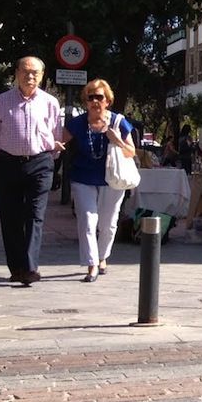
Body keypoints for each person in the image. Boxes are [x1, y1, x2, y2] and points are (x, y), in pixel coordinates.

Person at [0, 56, 67, 286]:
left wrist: (50, 156)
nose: (30, 76)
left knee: (35, 215)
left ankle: (31, 268)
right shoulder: (1, 101)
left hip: (40, 164)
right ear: (16, 73)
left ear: (42, 76)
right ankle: (16, 268)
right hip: (8, 164)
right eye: (25, 71)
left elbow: (56, 134)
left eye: (35, 73)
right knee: (10, 217)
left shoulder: (50, 102)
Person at [61, 79, 136, 282]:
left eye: (99, 97)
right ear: (85, 101)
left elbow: (131, 152)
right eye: (90, 97)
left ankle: (103, 257)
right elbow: (58, 140)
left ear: (108, 100)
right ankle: (92, 264)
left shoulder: (119, 122)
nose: (95, 101)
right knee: (87, 221)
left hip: (112, 180)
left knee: (109, 224)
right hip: (83, 178)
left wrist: (117, 140)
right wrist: (55, 147)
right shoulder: (77, 123)